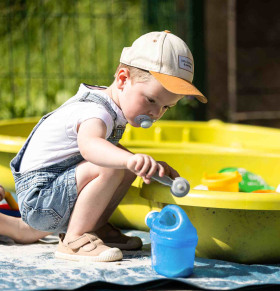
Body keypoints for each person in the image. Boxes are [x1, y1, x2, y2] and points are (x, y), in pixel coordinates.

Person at [8, 30, 207, 262]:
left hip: (54, 193)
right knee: (111, 165)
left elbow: (113, 154)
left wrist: (145, 166)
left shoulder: (112, 109)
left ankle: (95, 227)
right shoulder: (96, 111)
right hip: (40, 199)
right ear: (122, 79)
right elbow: (90, 147)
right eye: (151, 100)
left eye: (166, 107)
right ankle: (75, 238)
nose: (156, 113)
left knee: (123, 163)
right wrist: (129, 160)